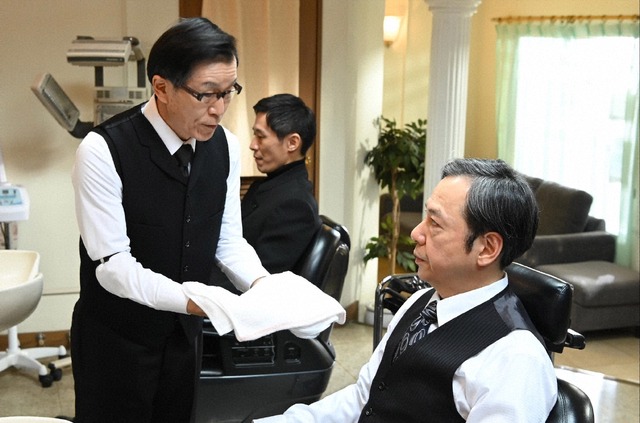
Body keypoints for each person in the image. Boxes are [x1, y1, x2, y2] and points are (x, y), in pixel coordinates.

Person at [71, 17, 270, 423]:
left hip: (183, 337)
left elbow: (227, 240)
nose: (219, 109)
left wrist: (263, 285)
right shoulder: (103, 150)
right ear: (161, 87)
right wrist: (198, 301)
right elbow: (112, 266)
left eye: (228, 92)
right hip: (116, 340)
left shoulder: (225, 148)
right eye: (205, 94)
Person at [256, 158, 558, 422]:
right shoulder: (422, 301)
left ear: (487, 248)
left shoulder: (516, 360)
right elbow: (363, 398)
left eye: (435, 223)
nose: (416, 232)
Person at [242, 93, 321, 273]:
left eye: (260, 137)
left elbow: (260, 276)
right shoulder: (266, 186)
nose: (253, 145)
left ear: (292, 143)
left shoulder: (296, 205)